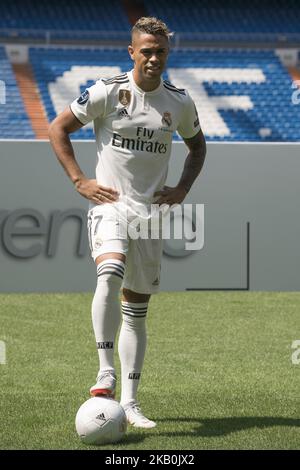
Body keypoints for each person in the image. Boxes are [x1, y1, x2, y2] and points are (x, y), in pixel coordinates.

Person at [48, 16, 206, 429]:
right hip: (110, 205)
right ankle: (105, 371)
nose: (154, 58)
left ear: (168, 54)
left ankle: (131, 404)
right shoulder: (108, 91)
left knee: (137, 310)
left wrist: (182, 189)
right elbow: (58, 128)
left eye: (161, 52)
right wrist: (80, 180)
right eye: (147, 51)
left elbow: (197, 147)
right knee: (110, 271)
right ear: (132, 51)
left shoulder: (179, 102)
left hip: (151, 214)